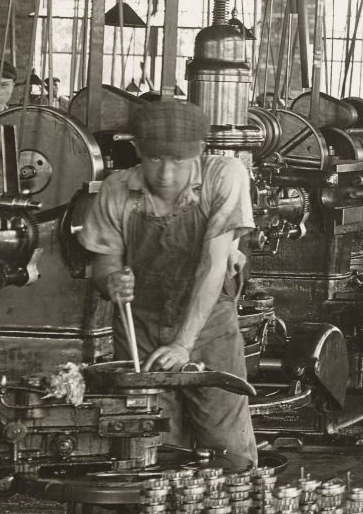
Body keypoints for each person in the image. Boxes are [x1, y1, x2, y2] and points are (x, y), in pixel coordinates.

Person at [79, 99, 258, 471]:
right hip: (139, 329)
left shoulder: (224, 176)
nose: (165, 174)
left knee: (226, 446)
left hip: (208, 328)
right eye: (155, 159)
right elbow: (104, 263)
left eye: (178, 160)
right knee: (150, 444)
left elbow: (213, 265)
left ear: (200, 151)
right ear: (138, 150)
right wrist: (111, 279)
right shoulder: (116, 190)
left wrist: (182, 343)